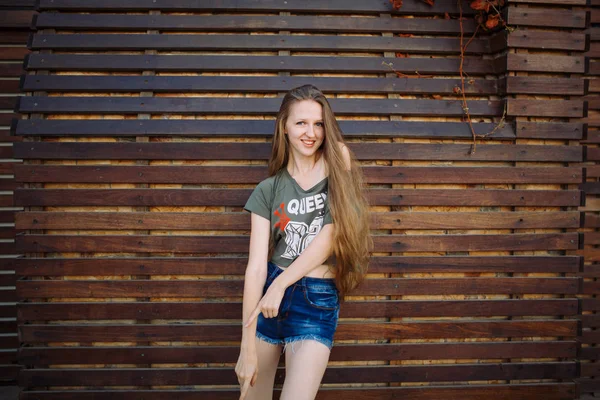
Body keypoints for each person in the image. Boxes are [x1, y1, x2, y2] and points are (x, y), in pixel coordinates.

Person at [235, 84, 372, 400]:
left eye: (319, 123)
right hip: (268, 299)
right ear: (284, 127)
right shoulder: (268, 190)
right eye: (301, 123)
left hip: (315, 299)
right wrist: (246, 346)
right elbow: (255, 268)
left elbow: (332, 235)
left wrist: (281, 284)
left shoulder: (337, 163)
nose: (311, 132)